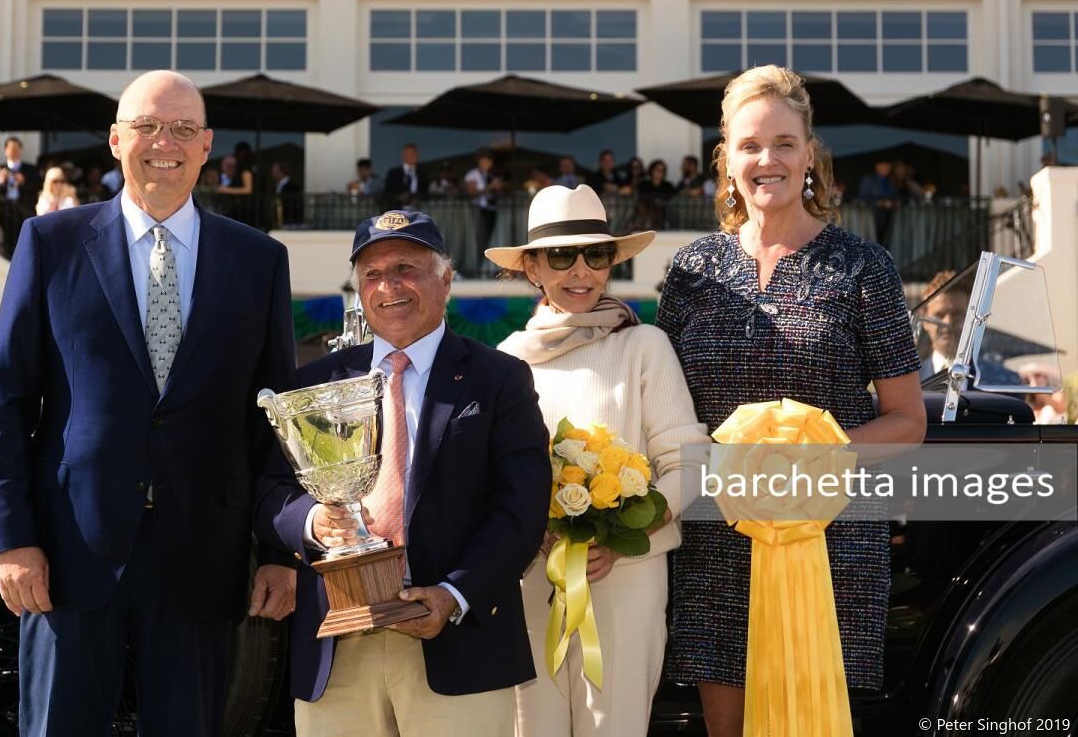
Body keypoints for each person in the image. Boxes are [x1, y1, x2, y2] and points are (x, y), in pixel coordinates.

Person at [0, 69, 298, 736]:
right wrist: (11, 537)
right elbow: (7, 399)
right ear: (116, 138)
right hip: (68, 553)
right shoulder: (49, 245)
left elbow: (274, 418)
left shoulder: (259, 260)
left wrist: (278, 550)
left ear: (207, 144)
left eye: (183, 128)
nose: (165, 143)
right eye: (149, 126)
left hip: (204, 556)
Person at [656, 65, 926, 737]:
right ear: (727, 159)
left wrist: (806, 459)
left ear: (810, 153)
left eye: (783, 142)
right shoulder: (689, 273)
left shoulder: (865, 267)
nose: (766, 159)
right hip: (717, 545)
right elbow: (662, 411)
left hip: (828, 546)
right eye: (749, 144)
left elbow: (908, 420)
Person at [254, 209, 552, 737]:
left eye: (406, 268)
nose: (388, 286)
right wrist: (312, 521)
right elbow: (272, 492)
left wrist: (453, 596)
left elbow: (521, 510)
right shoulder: (317, 383)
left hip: (457, 643)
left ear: (445, 279)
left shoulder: (499, 378)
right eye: (372, 274)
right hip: (337, 649)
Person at [486, 184, 709, 737]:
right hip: (528, 581)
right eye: (562, 256)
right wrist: (531, 534)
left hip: (628, 580)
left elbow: (688, 464)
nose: (580, 270)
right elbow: (488, 481)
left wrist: (620, 538)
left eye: (597, 255)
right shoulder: (504, 360)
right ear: (533, 267)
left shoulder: (646, 346)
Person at [0, 136, 40, 256]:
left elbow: (37, 188)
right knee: (7, 241)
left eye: (17, 148)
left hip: (24, 209)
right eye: (11, 148)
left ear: (21, 150)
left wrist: (23, 182)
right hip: (5, 211)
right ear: (5, 151)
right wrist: (1, 181)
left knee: (24, 239)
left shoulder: (30, 169)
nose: (14, 151)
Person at [858, 158, 896, 245]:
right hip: (872, 217)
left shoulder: (891, 181)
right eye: (884, 166)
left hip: (889, 218)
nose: (887, 169)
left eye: (888, 166)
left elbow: (895, 197)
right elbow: (862, 198)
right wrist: (880, 203)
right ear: (877, 166)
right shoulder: (869, 180)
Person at [635, 158, 675, 229]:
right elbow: (640, 199)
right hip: (646, 214)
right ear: (651, 170)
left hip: (663, 213)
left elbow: (671, 201)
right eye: (657, 170)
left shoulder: (668, 186)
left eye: (662, 171)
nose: (659, 173)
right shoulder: (643, 185)